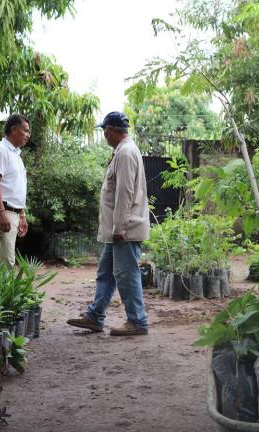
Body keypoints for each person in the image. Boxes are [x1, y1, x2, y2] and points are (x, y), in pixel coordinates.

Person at [67, 111, 150, 336]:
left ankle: (137, 321)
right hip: (119, 229)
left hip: (125, 229)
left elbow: (125, 192)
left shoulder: (125, 153)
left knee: (126, 274)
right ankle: (95, 317)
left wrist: (120, 227)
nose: (104, 135)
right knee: (106, 272)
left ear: (110, 130)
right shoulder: (122, 151)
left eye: (104, 131)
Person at [0, 114, 30, 267]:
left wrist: (21, 214)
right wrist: (1, 213)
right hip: (4, 211)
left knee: (0, 259)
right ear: (14, 130)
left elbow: (15, 187)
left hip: (12, 212)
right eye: (25, 131)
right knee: (4, 262)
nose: (28, 136)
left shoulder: (15, 154)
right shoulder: (0, 151)